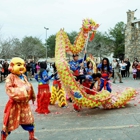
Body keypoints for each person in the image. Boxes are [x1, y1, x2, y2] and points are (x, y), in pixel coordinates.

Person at [1, 57, 37, 140]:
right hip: (14, 105)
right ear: (12, 66)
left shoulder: (23, 76)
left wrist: (30, 91)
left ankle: (31, 137)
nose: (21, 67)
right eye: (18, 65)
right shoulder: (10, 77)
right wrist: (24, 89)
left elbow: (28, 86)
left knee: (29, 122)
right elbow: (9, 90)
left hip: (25, 105)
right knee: (8, 124)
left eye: (23, 65)